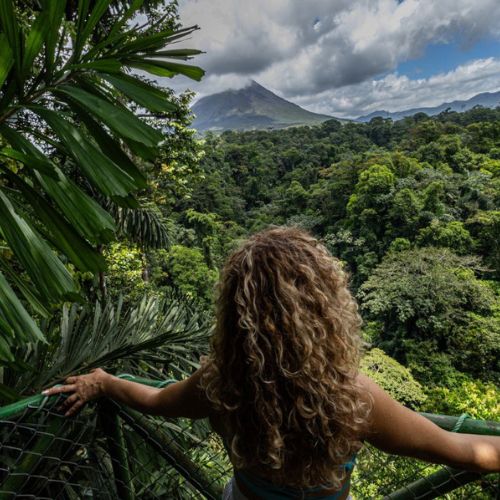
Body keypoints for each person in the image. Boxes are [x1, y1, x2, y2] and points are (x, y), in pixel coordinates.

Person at [43, 226, 500, 499]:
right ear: (324, 310)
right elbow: (469, 452)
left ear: (235, 316)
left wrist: (102, 382)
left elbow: (157, 400)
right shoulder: (353, 399)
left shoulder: (220, 383)